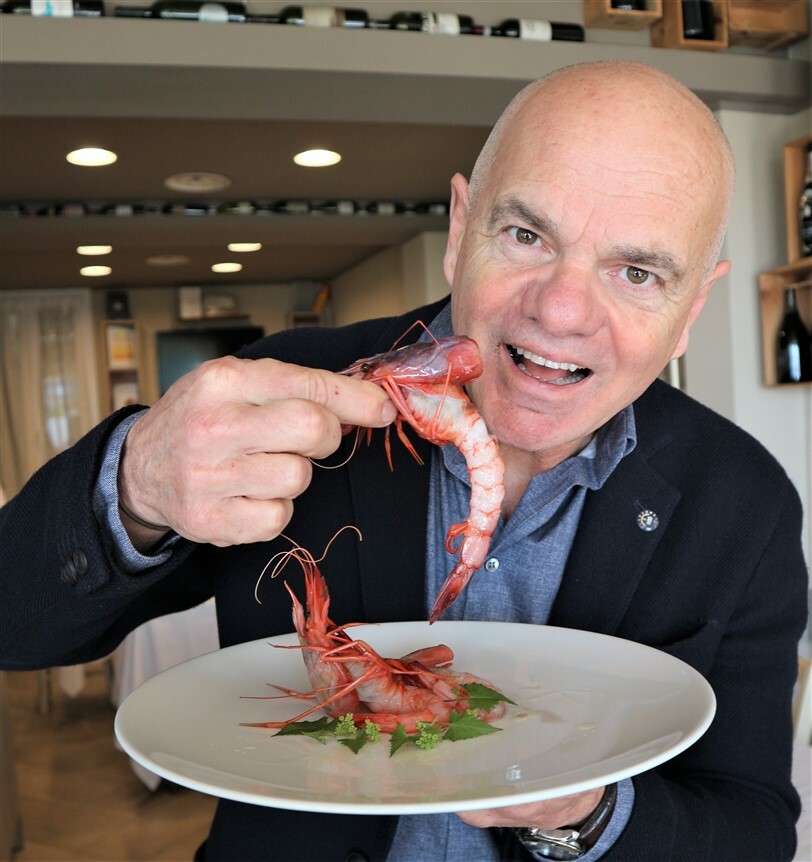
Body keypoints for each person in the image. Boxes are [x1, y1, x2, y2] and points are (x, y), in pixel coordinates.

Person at [0, 61, 807, 862]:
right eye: (526, 236)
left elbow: (753, 827)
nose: (562, 311)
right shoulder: (289, 390)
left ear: (692, 309)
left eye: (637, 272)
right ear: (460, 231)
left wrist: (587, 812)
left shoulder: (747, 500)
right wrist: (137, 482)